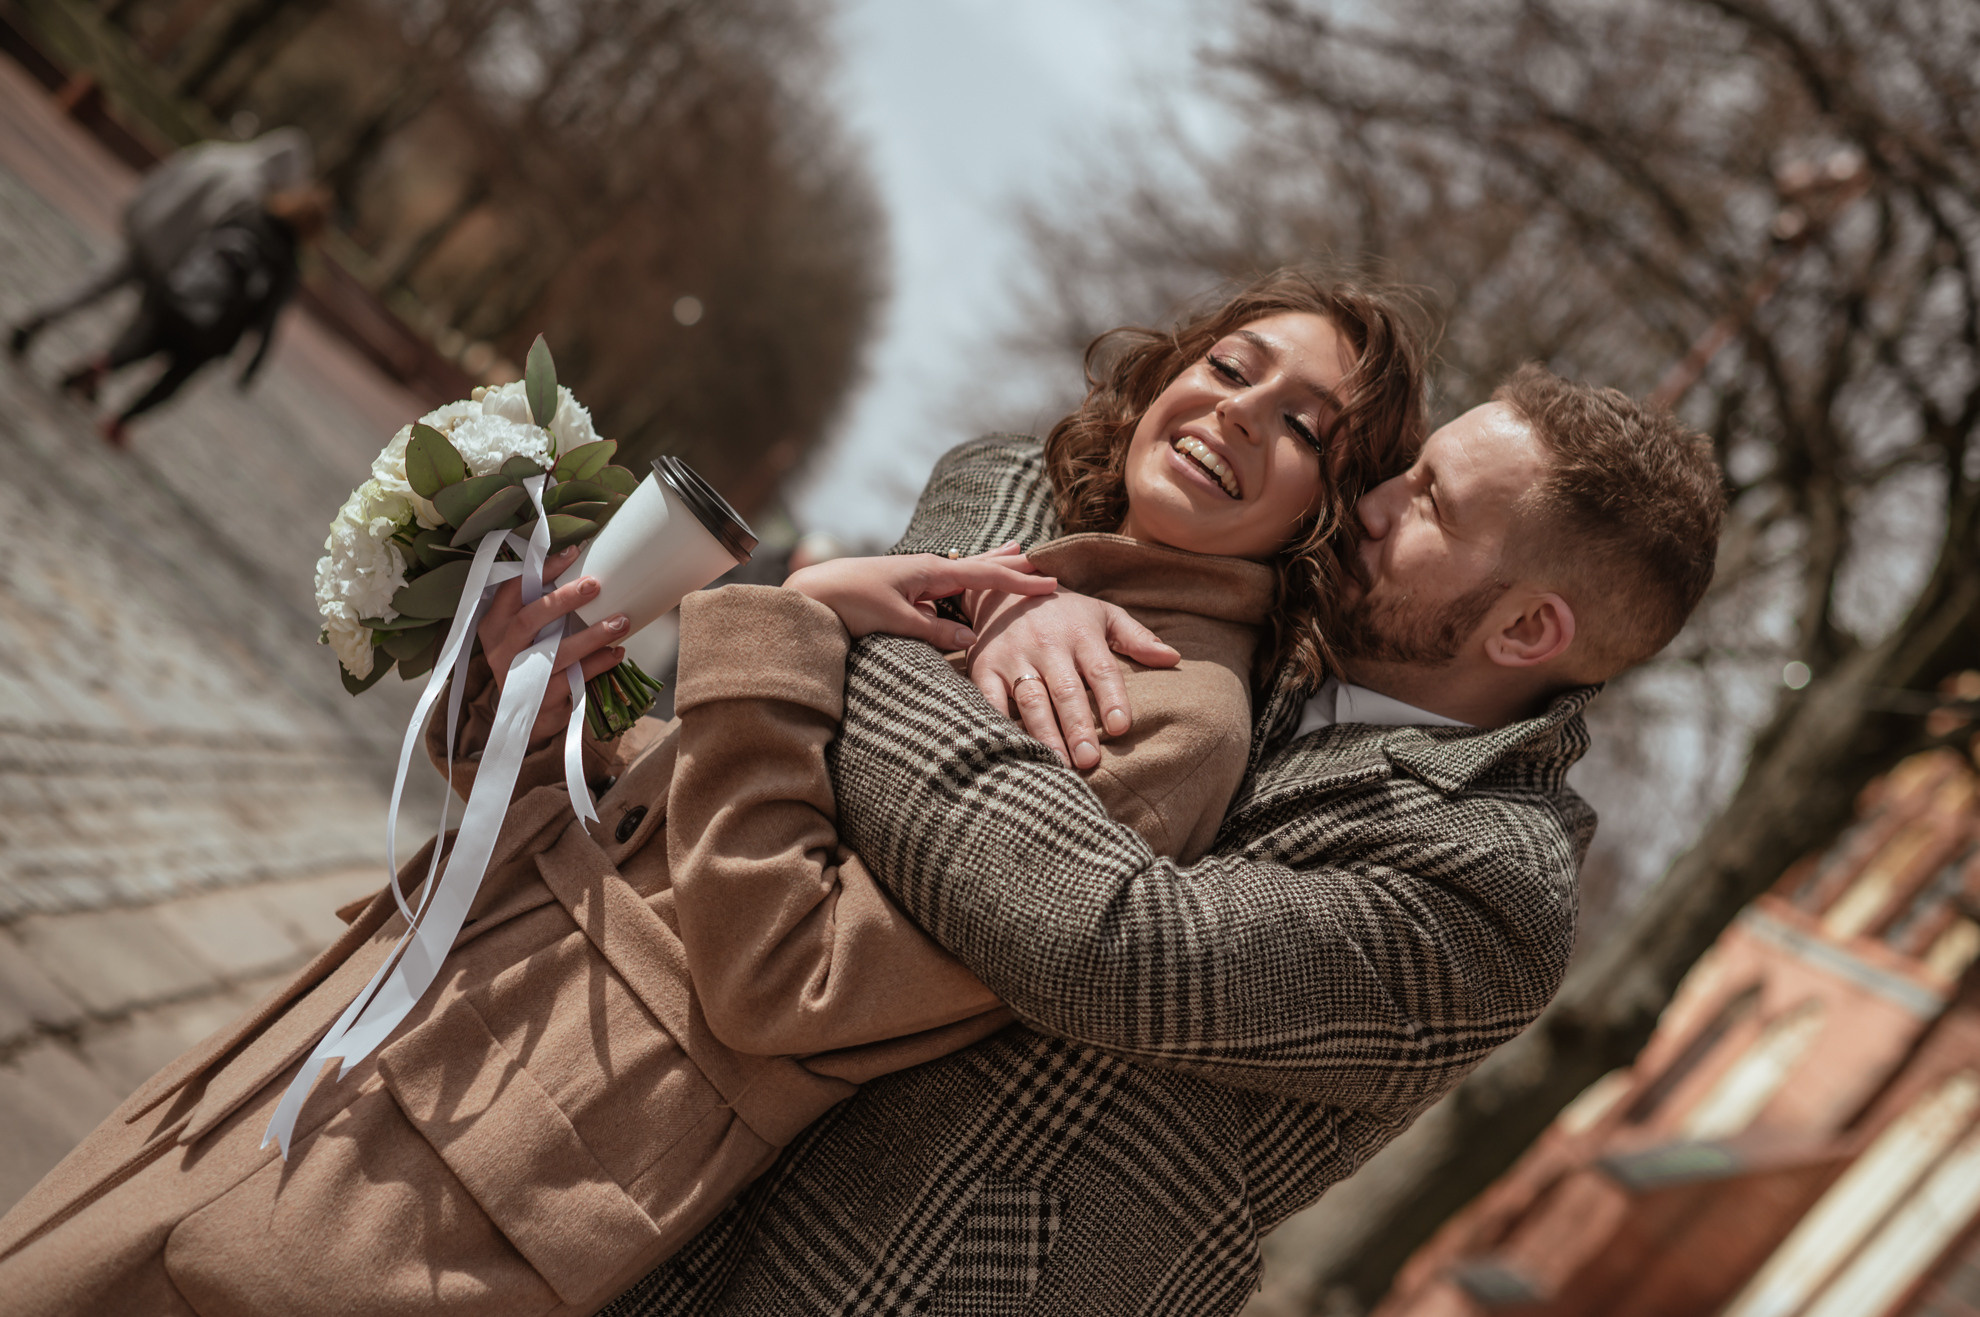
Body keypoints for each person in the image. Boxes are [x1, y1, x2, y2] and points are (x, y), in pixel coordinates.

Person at [0, 270, 1428, 1315]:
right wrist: (536, 704)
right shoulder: (1019, 563)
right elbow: (671, 815)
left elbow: (789, 973)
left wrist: (792, 616)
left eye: (1308, 427)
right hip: (371, 1027)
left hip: (491, 1164)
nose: (1241, 414)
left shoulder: (1163, 708)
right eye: (1233, 365)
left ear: (1325, 509)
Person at [589, 366, 1725, 1314]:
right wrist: (1017, 599)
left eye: (1431, 501)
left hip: (884, 1282)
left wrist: (854, 625)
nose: (1375, 501)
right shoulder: (1292, 603)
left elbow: (1108, 942)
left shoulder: (1493, 900)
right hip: (661, 1175)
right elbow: (1015, 474)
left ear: (1527, 629)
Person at [55, 184, 329, 446]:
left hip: (179, 295)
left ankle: (104, 364)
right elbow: (267, 318)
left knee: (141, 344)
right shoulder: (287, 263)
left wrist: (169, 276)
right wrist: (252, 368)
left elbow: (203, 238)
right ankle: (119, 423)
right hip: (211, 334)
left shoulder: (250, 215)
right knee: (172, 381)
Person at [8, 129, 312, 359]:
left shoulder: (219, 153)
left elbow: (166, 173)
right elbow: (212, 233)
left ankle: (44, 322)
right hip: (171, 257)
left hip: (150, 230)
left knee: (98, 286)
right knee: (140, 321)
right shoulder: (249, 190)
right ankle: (96, 366)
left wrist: (138, 208)